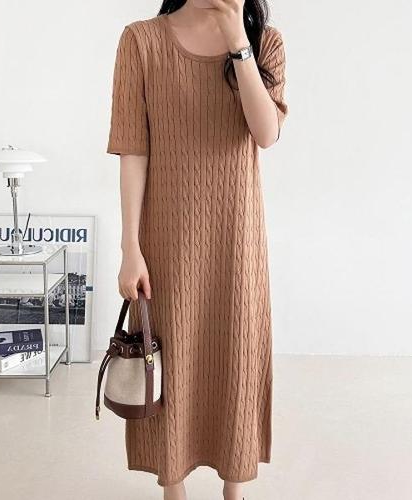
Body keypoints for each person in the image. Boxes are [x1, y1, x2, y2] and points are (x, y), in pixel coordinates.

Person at [107, 1, 287, 499]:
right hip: (165, 241)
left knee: (235, 354)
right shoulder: (141, 41)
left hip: (237, 241)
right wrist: (129, 247)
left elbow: (266, 134)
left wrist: (238, 41)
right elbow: (133, 149)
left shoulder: (264, 41)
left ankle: (235, 489)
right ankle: (174, 488)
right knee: (172, 361)